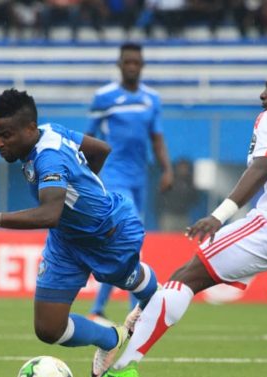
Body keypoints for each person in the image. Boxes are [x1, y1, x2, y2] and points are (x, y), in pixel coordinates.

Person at [84, 62, 267, 377]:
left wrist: (219, 215)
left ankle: (124, 367)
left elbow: (263, 166)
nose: (263, 94)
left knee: (185, 277)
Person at [0, 88, 160, 377]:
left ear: (30, 129)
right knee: (48, 328)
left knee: (129, 279)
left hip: (106, 233)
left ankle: (152, 292)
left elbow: (48, 214)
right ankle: (111, 338)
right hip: (66, 239)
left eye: (6, 135)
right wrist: (81, 187)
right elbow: (100, 149)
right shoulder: (49, 130)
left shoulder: (50, 158)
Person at [86, 42, 174, 326]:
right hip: (113, 176)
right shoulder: (104, 97)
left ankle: (99, 308)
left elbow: (157, 138)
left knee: (124, 243)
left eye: (136, 62)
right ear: (119, 64)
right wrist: (85, 173)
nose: (132, 66)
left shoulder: (152, 99)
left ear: (142, 65)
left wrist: (167, 169)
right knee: (130, 233)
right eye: (128, 62)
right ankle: (136, 308)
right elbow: (89, 138)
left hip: (139, 178)